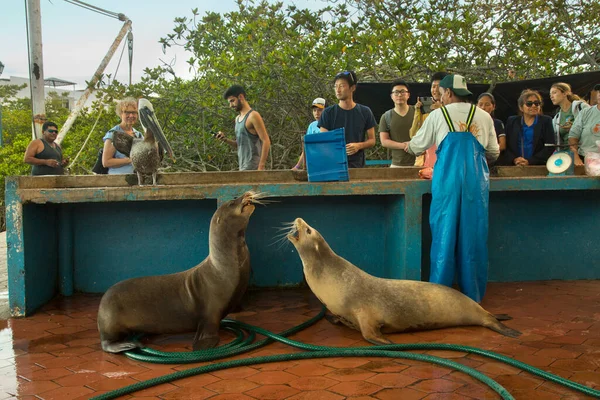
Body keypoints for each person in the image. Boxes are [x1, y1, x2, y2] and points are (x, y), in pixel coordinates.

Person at [399, 74, 499, 303]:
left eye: (442, 93)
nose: (440, 97)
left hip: (446, 183)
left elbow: (416, 147)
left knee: (444, 235)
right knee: (473, 237)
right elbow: (493, 152)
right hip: (476, 185)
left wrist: (405, 145)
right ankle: (472, 298)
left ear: (449, 93)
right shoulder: (484, 116)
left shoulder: (437, 115)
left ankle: (440, 299)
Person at [318, 70, 377, 168]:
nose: (338, 90)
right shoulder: (328, 113)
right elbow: (323, 141)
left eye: (342, 86)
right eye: (336, 86)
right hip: (333, 166)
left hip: (357, 167)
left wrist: (358, 146)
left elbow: (372, 141)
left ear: (352, 88)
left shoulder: (365, 111)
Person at [216, 85, 271, 171]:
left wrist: (261, 166)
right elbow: (240, 145)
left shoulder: (253, 116)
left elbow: (266, 140)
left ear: (240, 97)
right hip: (243, 168)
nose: (230, 105)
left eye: (232, 101)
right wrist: (225, 139)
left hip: (254, 168)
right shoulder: (237, 119)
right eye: (229, 102)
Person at [502, 90, 555, 166]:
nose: (533, 106)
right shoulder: (512, 121)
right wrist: (514, 159)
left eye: (537, 103)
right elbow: (506, 145)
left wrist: (530, 161)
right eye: (529, 104)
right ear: (521, 107)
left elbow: (550, 146)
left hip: (538, 166)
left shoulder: (546, 121)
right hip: (515, 166)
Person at [409, 72, 448, 171]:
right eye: (433, 86)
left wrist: (442, 110)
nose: (435, 90)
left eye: (438, 87)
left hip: (444, 158)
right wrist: (417, 112)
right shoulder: (425, 111)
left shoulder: (451, 110)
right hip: (424, 159)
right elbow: (413, 134)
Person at [379, 80, 416, 167]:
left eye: (403, 92)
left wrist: (414, 144)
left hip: (419, 163)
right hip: (397, 164)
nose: (399, 95)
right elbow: (384, 141)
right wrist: (404, 145)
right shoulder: (386, 116)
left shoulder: (417, 112)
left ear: (408, 95)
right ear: (391, 96)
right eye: (396, 92)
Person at [102, 97, 143, 174]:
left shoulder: (138, 134)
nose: (131, 116)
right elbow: (106, 162)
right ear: (120, 114)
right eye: (127, 112)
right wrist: (131, 160)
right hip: (118, 180)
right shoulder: (114, 134)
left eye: (134, 112)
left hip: (136, 179)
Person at [568, 83, 600, 166]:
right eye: (599, 91)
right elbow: (573, 136)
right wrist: (575, 156)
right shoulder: (585, 113)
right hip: (584, 160)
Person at [293, 97, 326, 170]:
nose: (317, 113)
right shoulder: (312, 126)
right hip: (313, 162)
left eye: (320, 110)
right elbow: (305, 148)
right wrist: (297, 166)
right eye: (314, 110)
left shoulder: (330, 124)